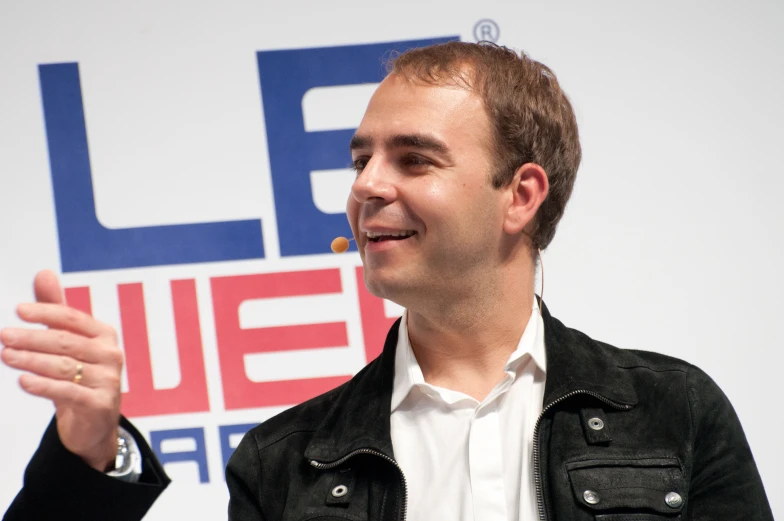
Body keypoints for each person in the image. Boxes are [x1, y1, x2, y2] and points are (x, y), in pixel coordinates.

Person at [1, 42, 773, 521]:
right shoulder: (284, 461)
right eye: (359, 158)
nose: (367, 184)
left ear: (521, 195)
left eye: (414, 158)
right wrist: (88, 457)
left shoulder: (675, 410)